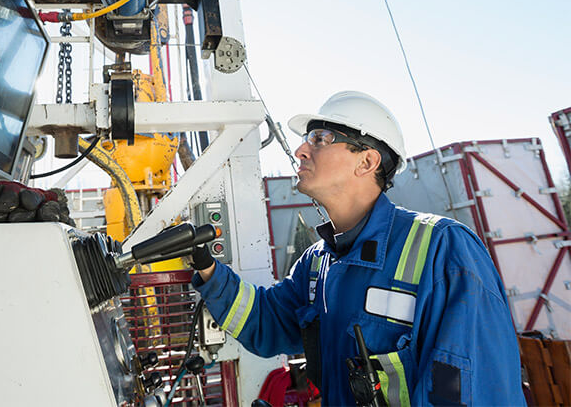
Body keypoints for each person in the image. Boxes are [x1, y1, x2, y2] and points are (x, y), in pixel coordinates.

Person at [190, 91, 524, 406]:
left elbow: (471, 389)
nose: (301, 150)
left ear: (366, 162)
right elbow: (268, 322)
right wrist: (206, 265)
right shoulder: (317, 264)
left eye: (320, 139)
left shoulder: (444, 250)